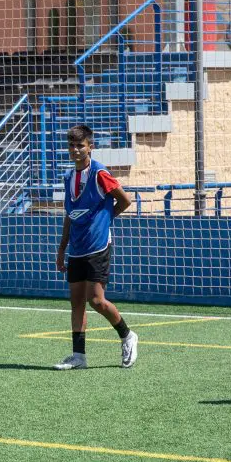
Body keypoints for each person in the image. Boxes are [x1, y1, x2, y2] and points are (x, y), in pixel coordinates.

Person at [54, 124, 138, 370]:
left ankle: (127, 335)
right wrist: (62, 249)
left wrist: (106, 218)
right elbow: (70, 215)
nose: (75, 150)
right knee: (76, 302)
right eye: (71, 145)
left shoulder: (100, 173)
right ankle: (78, 356)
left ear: (90, 146)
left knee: (97, 301)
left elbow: (125, 200)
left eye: (80, 145)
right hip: (76, 249)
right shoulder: (69, 177)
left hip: (98, 246)